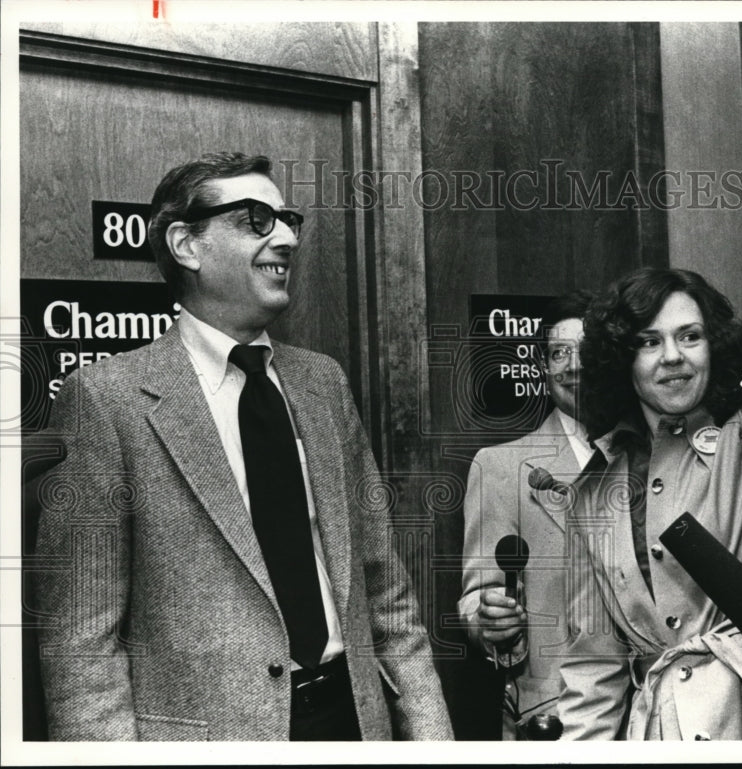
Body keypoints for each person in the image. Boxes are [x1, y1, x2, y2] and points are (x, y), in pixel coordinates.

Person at [31, 152, 452, 741]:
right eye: (255, 219)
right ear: (187, 244)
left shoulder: (323, 382)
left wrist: (433, 743)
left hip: (354, 722)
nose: (285, 238)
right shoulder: (107, 400)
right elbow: (82, 639)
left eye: (287, 220)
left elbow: (386, 593)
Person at [557, 268, 742, 740]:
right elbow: (593, 671)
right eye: (648, 341)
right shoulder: (591, 494)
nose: (673, 357)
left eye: (690, 336)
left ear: (713, 346)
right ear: (622, 357)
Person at [460, 290, 595, 739]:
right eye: (560, 353)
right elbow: (477, 598)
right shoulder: (500, 468)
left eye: (588, 351)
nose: (574, 366)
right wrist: (489, 620)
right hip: (552, 716)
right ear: (543, 367)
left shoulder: (651, 458)